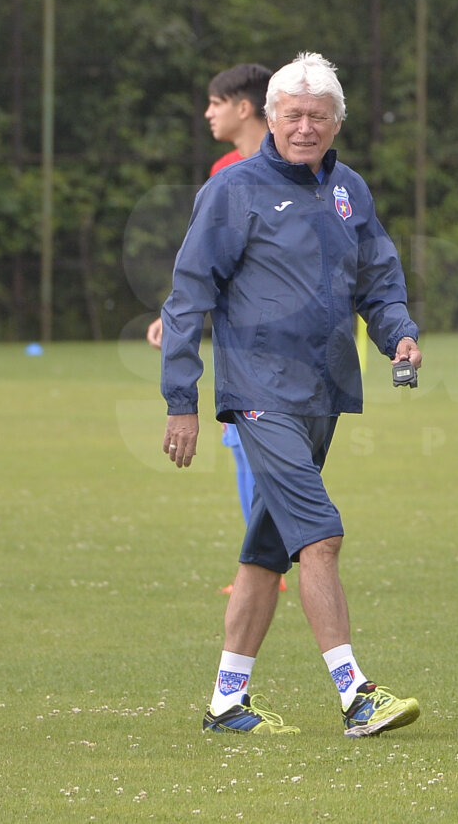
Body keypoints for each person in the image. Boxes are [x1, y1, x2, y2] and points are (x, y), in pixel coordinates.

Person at [161, 51, 422, 737]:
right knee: (322, 534)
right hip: (258, 392)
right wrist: (181, 399)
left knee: (265, 550)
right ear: (270, 117)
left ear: (338, 123)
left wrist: (398, 332)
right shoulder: (232, 191)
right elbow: (189, 298)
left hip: (324, 392)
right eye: (292, 114)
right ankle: (357, 694)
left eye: (319, 116)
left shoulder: (350, 192)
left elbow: (378, 277)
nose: (305, 126)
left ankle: (226, 700)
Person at [148, 64, 276, 595]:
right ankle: (267, 558)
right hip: (238, 342)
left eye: (215, 103)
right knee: (243, 444)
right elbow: (205, 259)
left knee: (266, 446)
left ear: (243, 106)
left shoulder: (295, 162)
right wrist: (175, 313)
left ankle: (272, 558)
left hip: (287, 342)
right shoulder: (225, 169)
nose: (208, 113)